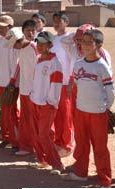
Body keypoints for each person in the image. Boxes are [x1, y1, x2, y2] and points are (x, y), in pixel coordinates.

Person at [64, 29, 115, 187]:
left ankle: (104, 178)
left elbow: (110, 91)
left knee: (99, 147)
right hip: (81, 110)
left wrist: (105, 107)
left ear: (98, 45)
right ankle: (81, 172)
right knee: (82, 143)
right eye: (82, 42)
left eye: (89, 42)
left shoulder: (102, 66)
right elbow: (78, 84)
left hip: (98, 113)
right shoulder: (78, 65)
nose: (84, 45)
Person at [29, 31, 64, 175]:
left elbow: (56, 85)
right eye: (38, 43)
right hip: (35, 100)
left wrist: (51, 102)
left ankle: (57, 164)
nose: (39, 46)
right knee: (37, 133)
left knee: (43, 135)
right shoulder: (39, 59)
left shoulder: (55, 63)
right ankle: (42, 160)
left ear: (50, 45)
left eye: (43, 43)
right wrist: (32, 95)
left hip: (47, 104)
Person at [6, 21, 38, 156]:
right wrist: (13, 80)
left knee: (35, 121)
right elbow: (20, 66)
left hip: (35, 92)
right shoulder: (22, 50)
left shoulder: (35, 48)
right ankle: (26, 147)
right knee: (25, 121)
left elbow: (41, 69)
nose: (14, 48)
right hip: (24, 90)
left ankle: (39, 148)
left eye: (15, 45)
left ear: (19, 40)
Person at [0, 15, 19, 150]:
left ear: (10, 27)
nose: (0, 29)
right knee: (3, 114)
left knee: (11, 113)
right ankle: (6, 137)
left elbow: (16, 64)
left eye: (3, 26)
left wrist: (12, 81)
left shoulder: (14, 42)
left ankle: (15, 141)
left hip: (10, 83)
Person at [51, 11, 73, 157]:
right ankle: (58, 142)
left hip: (66, 82)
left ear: (66, 22)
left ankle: (67, 145)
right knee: (57, 115)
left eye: (59, 21)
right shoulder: (53, 39)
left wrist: (71, 80)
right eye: (54, 21)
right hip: (54, 82)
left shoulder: (71, 38)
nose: (56, 23)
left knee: (66, 116)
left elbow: (74, 60)